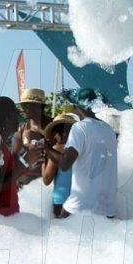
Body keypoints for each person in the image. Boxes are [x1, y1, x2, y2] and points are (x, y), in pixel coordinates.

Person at [44, 88, 118, 218]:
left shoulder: (80, 128)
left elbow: (65, 163)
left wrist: (45, 147)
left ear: (76, 106)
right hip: (107, 211)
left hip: (81, 208)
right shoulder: (109, 130)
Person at [0, 96, 41, 216]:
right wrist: (24, 162)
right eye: (16, 114)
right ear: (8, 117)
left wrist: (26, 160)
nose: (18, 118)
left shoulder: (0, 142)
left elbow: (7, 177)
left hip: (4, 219)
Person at [41, 111, 78, 218]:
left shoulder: (57, 149)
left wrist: (43, 160)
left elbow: (47, 179)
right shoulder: (79, 148)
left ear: (56, 134)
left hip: (61, 202)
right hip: (78, 202)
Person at [12, 88, 52, 185]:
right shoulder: (21, 131)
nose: (22, 109)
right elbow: (13, 158)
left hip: (51, 181)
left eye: (25, 105)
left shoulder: (55, 125)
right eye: (21, 105)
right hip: (30, 185)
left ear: (38, 106)